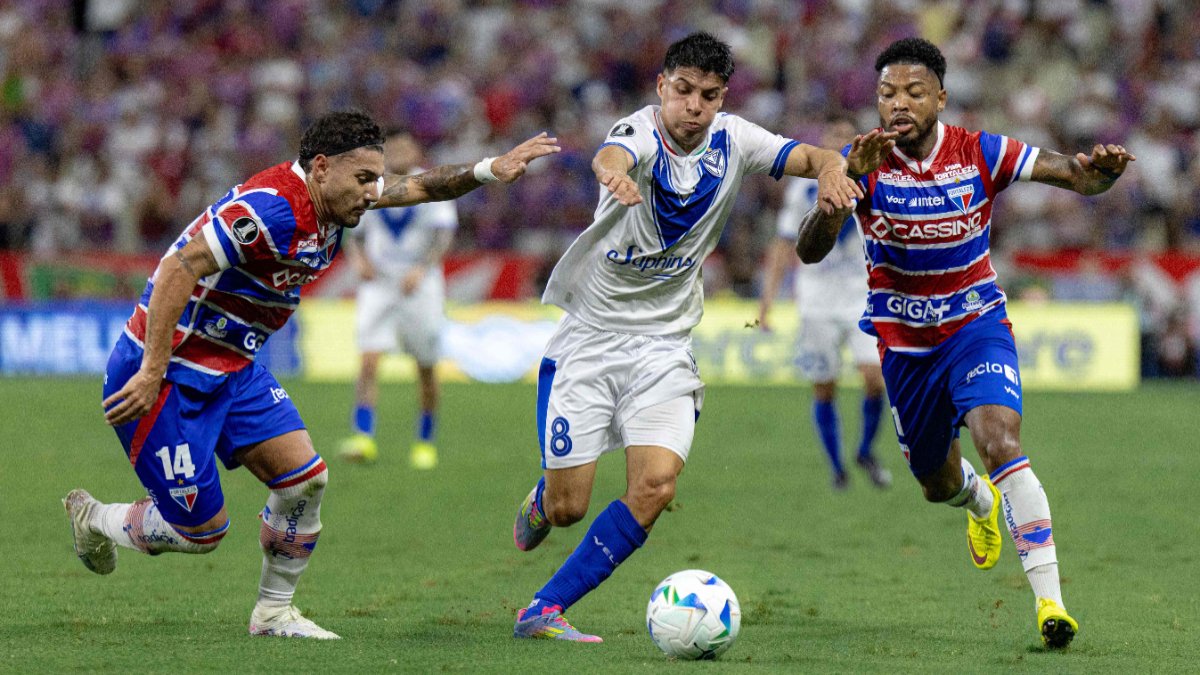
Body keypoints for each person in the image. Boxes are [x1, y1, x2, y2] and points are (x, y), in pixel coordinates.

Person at [63, 110, 559, 639]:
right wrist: (150, 369)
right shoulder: (272, 210)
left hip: (231, 366)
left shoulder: (337, 200)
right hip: (162, 372)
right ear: (321, 168)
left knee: (305, 481)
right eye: (364, 179)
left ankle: (273, 612)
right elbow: (179, 267)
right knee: (199, 532)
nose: (373, 194)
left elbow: (419, 186)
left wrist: (489, 168)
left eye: (375, 179)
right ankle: (96, 518)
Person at [508, 32, 895, 643]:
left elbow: (819, 156)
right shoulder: (636, 133)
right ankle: (543, 496)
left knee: (656, 486)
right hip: (592, 339)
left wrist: (831, 174)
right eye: (683, 91)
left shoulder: (737, 139)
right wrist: (613, 176)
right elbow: (608, 157)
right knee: (567, 509)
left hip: (664, 346)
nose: (694, 106)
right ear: (662, 87)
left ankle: (545, 608)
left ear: (721, 100)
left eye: (708, 96)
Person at [794, 38, 1135, 649]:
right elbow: (809, 249)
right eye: (887, 93)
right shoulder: (860, 159)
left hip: (976, 327)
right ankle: (976, 502)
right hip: (905, 348)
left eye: (913, 92)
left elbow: (1076, 177)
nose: (898, 104)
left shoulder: (981, 150)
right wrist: (841, 192)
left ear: (941, 98)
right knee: (935, 482)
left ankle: (1051, 603)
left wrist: (1101, 178)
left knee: (1000, 439)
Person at [758, 118, 891, 491]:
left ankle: (864, 450)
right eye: (831, 135)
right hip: (816, 300)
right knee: (825, 386)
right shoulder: (802, 189)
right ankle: (838, 469)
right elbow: (783, 244)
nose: (838, 142)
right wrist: (767, 301)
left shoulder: (872, 180)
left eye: (845, 136)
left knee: (875, 379)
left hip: (861, 295)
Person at [338, 131, 458, 469]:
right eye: (394, 147)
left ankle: (425, 440)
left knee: (424, 365)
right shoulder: (370, 183)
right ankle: (363, 436)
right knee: (369, 360)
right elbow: (352, 229)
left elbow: (444, 234)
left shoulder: (431, 183)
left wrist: (422, 269)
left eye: (406, 145)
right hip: (379, 283)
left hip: (420, 285)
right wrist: (358, 260)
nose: (400, 152)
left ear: (416, 148)